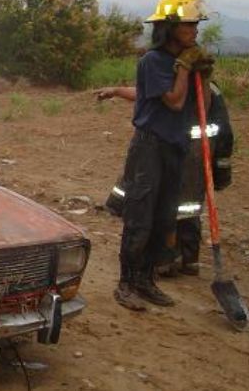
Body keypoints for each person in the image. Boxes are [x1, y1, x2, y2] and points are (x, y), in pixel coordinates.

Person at [112, 0, 214, 311]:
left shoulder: (187, 62)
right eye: (188, 25)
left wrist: (204, 76)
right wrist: (184, 68)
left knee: (164, 217)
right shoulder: (153, 62)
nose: (194, 31)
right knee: (140, 216)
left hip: (176, 146)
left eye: (196, 25)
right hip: (149, 147)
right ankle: (126, 283)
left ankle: (146, 280)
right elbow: (174, 102)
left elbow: (201, 108)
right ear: (169, 28)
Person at [97, 81, 234, 277]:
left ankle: (165, 260)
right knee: (188, 208)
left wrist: (221, 169)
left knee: (166, 205)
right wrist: (117, 90)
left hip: (178, 151)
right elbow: (225, 131)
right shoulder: (202, 85)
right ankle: (188, 260)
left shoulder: (184, 84)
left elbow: (151, 94)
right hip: (195, 154)